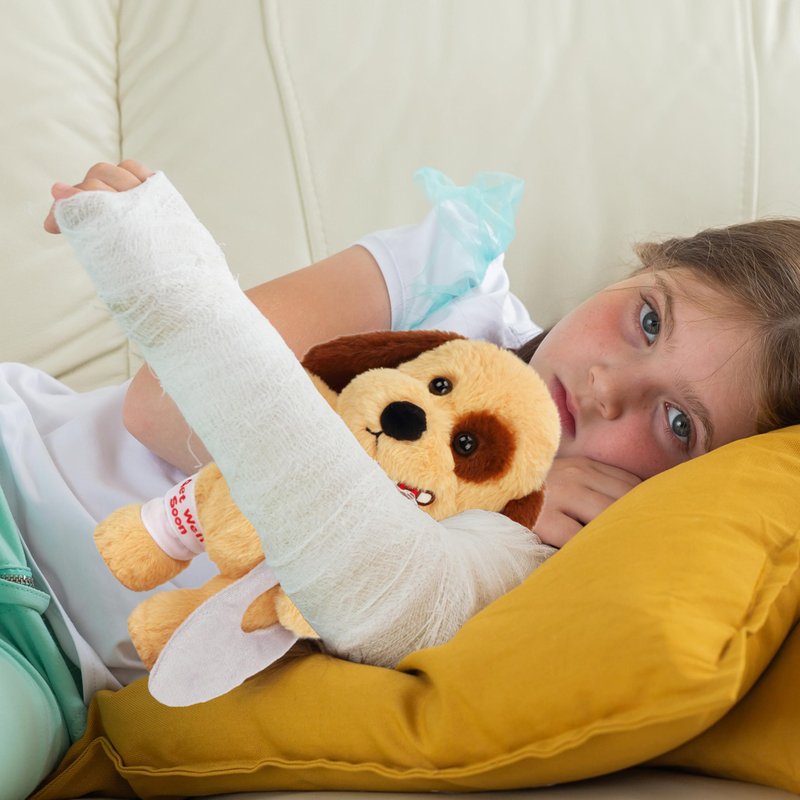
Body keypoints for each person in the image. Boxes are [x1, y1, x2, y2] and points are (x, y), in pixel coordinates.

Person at [2, 159, 796, 798]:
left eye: (677, 422)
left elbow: (376, 619)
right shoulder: (448, 282)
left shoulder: (561, 564)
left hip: (53, 667)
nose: (607, 386)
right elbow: (161, 405)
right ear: (650, 263)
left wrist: (506, 513)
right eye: (649, 320)